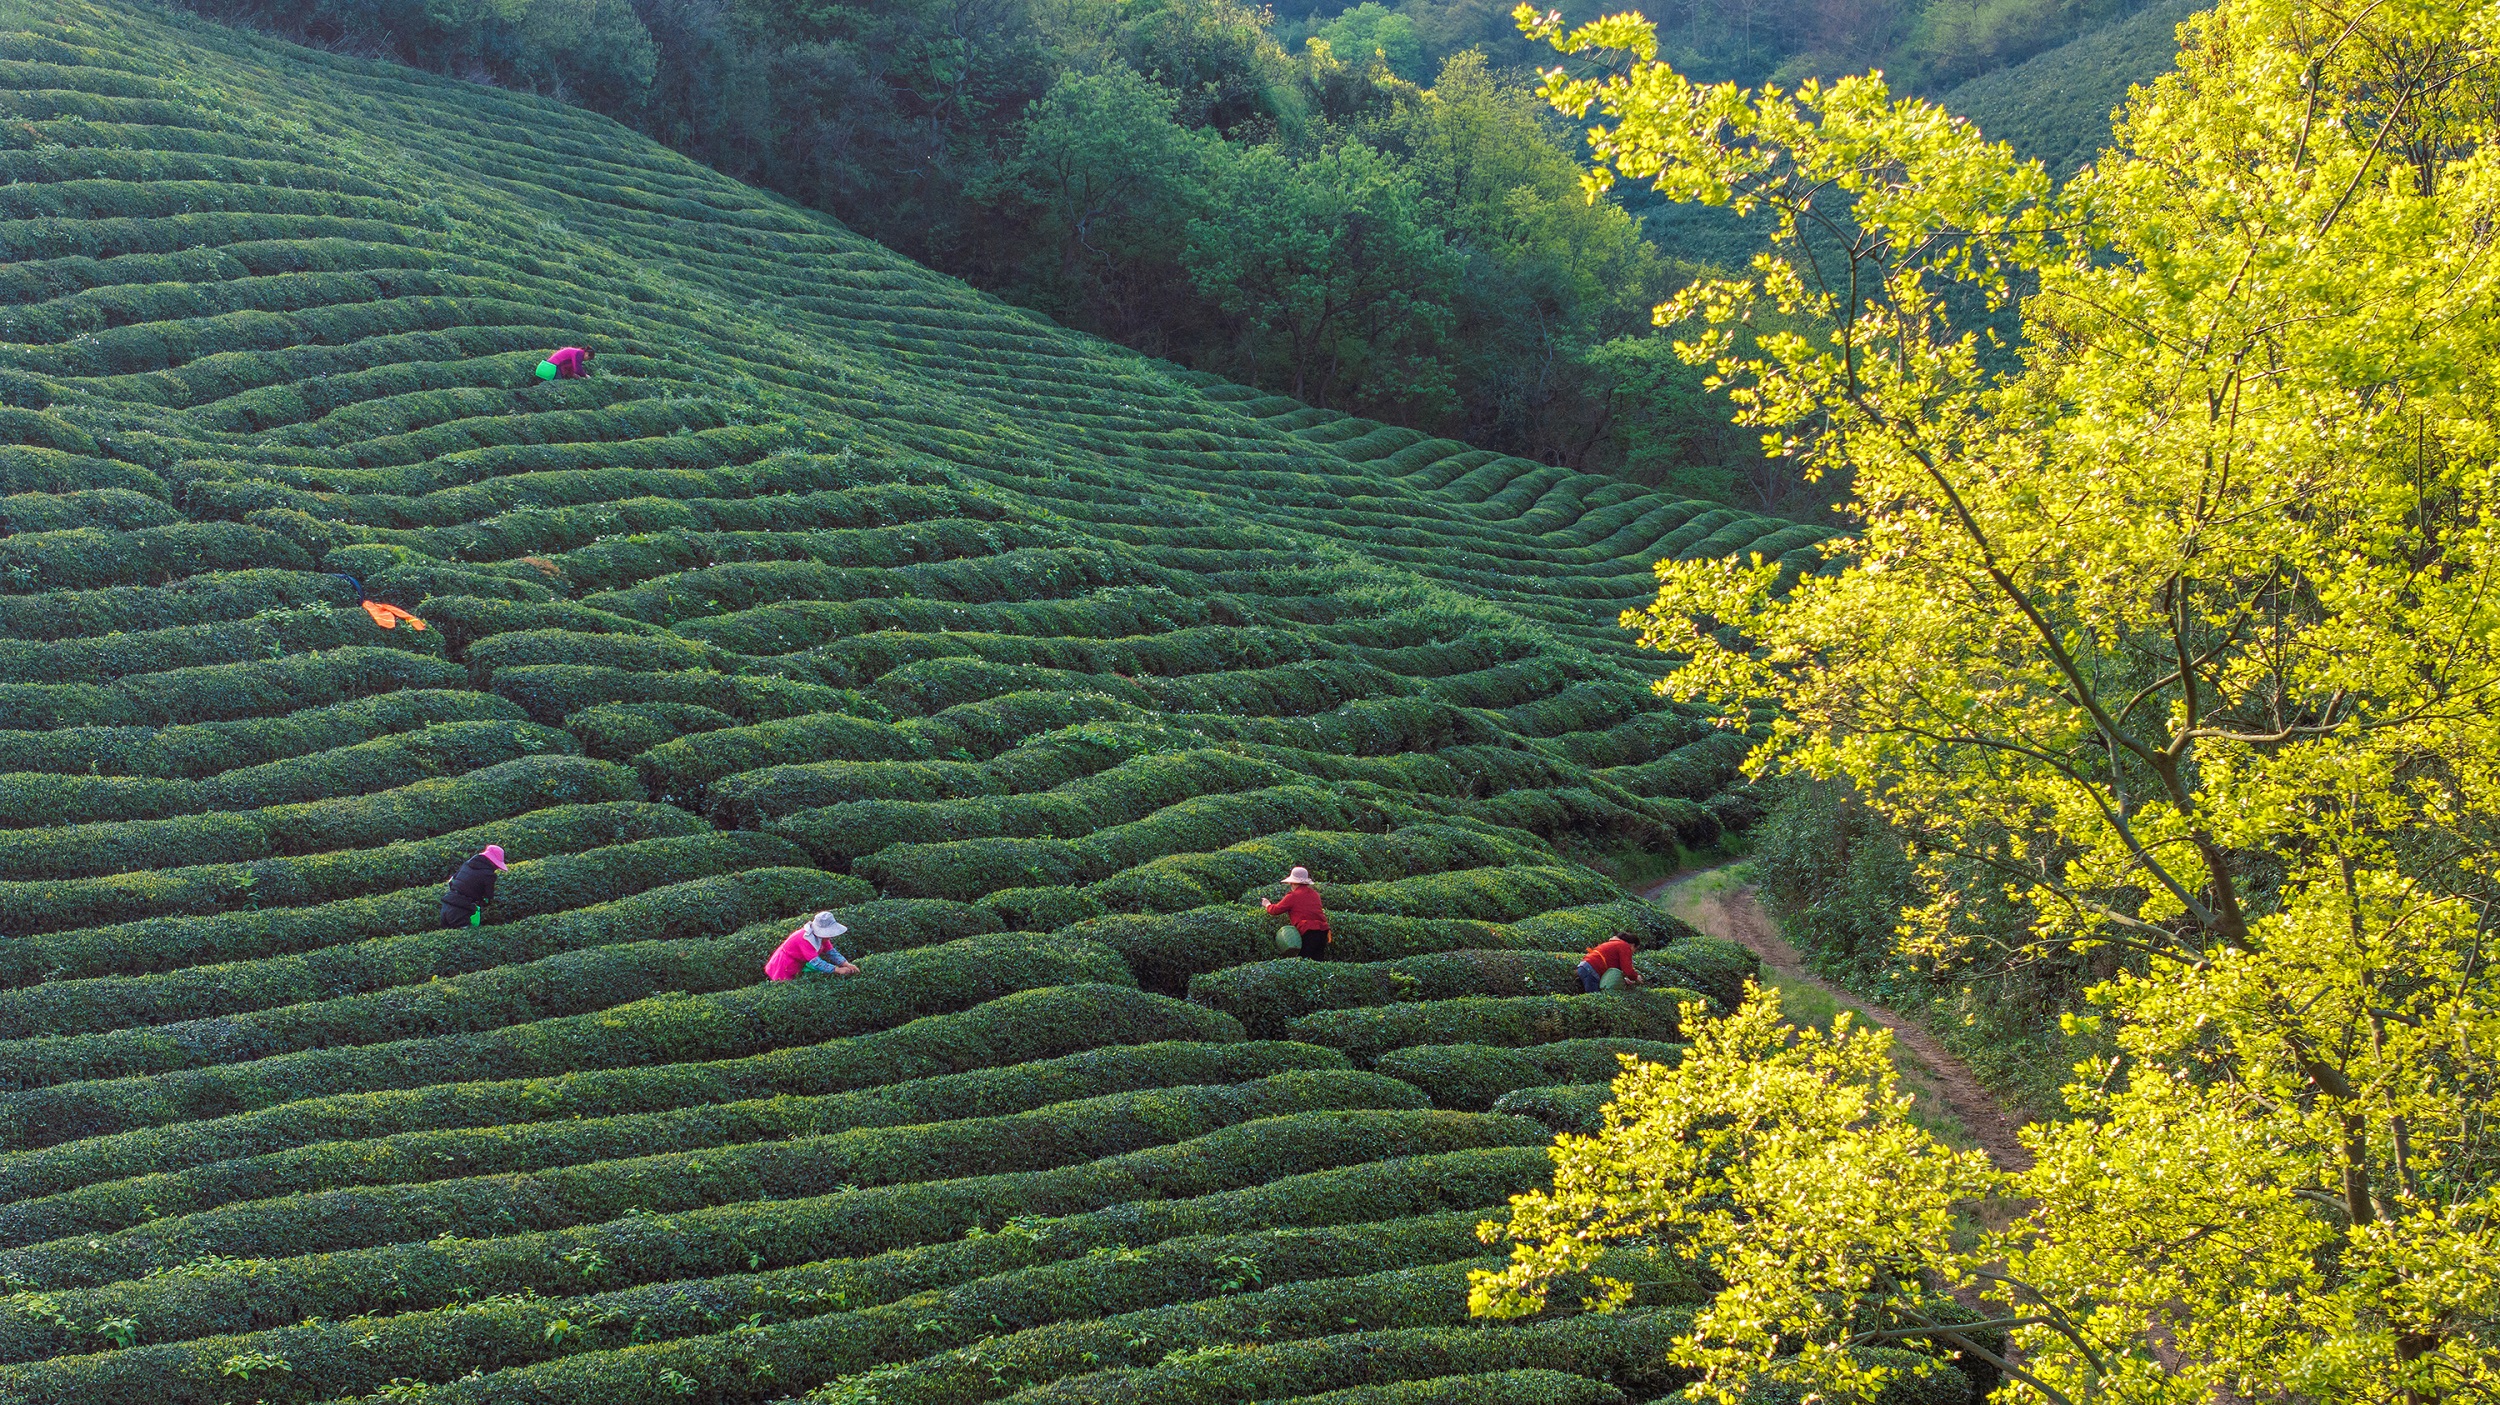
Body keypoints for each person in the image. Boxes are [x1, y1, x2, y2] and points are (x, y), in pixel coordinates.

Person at [767, 911, 860, 981]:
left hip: (796, 964)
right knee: (784, 987)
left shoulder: (823, 938)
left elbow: (831, 952)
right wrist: (837, 970)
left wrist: (846, 964)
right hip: (783, 964)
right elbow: (816, 962)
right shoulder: (805, 939)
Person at [1262, 867, 1332, 960]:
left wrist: (1267, 905)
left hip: (1308, 932)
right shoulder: (1315, 894)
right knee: (1317, 963)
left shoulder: (1293, 896)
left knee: (1304, 961)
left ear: (1293, 883)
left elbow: (1275, 910)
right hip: (1323, 932)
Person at [441, 845, 508, 928]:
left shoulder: (467, 864)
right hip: (461, 910)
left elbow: (452, 881)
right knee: (465, 938)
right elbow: (488, 897)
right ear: (493, 863)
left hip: (446, 905)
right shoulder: (489, 875)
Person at [1579, 930, 1644, 993]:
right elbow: (1627, 969)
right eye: (1635, 949)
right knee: (1595, 998)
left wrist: (1624, 979)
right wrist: (1636, 977)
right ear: (1632, 945)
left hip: (1585, 966)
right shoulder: (1624, 946)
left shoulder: (1614, 944)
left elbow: (1612, 971)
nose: (1633, 952)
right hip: (1591, 969)